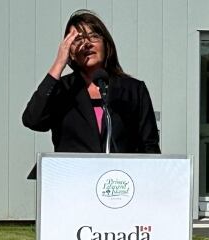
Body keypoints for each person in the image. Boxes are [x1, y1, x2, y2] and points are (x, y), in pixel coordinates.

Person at [23, 10, 160, 158]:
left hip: (120, 178)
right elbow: (33, 120)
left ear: (106, 44)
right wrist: (59, 63)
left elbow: (149, 146)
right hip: (74, 177)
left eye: (94, 36)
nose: (87, 44)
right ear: (70, 51)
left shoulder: (133, 90)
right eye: (78, 40)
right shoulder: (63, 89)